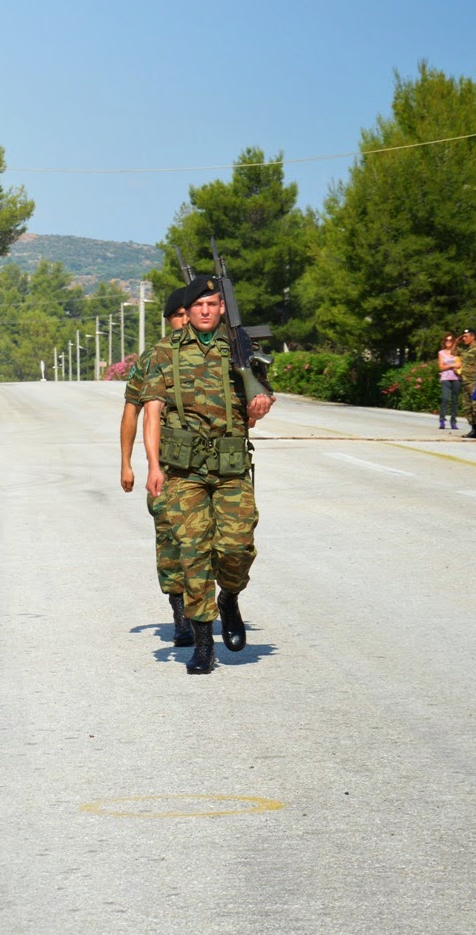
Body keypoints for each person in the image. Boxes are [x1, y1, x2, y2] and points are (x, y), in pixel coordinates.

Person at [139, 275, 275, 675]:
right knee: (193, 553)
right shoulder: (163, 354)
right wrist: (152, 465)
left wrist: (260, 403)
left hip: (231, 467)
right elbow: (150, 411)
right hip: (184, 471)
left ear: (221, 310)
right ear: (189, 310)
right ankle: (202, 644)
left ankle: (230, 597)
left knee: (236, 548)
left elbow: (260, 399)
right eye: (198, 305)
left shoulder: (241, 349)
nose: (204, 311)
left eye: (212, 305)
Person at [122, 288, 194, 646]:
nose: (185, 320)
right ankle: (180, 614)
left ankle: (212, 606)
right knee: (170, 540)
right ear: (169, 320)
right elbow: (132, 410)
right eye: (179, 314)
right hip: (166, 463)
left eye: (190, 312)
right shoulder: (154, 358)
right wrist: (126, 463)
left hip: (205, 465)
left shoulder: (215, 353)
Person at [456, 330, 476, 437]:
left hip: (474, 382)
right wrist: (456, 342)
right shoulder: (465, 349)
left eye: (466, 336)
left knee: (475, 406)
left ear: (473, 337)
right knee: (467, 407)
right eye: (463, 337)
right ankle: (473, 428)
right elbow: (453, 352)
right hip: (465, 382)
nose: (464, 339)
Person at [436, 332, 461, 431]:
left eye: (450, 340)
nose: (448, 342)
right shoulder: (441, 353)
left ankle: (453, 421)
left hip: (456, 378)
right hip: (445, 378)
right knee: (445, 398)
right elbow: (441, 367)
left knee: (454, 401)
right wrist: (452, 366)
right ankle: (442, 420)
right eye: (447, 340)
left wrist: (451, 366)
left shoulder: (458, 352)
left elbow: (460, 364)